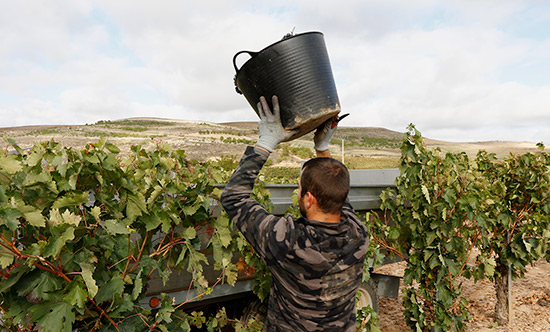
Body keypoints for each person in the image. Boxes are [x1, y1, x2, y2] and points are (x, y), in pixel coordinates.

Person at [220, 95, 369, 332]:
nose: (296, 190)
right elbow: (335, 193)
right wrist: (322, 149)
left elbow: (233, 197)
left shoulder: (287, 240)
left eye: (299, 188)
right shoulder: (358, 232)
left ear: (308, 199)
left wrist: (266, 142)